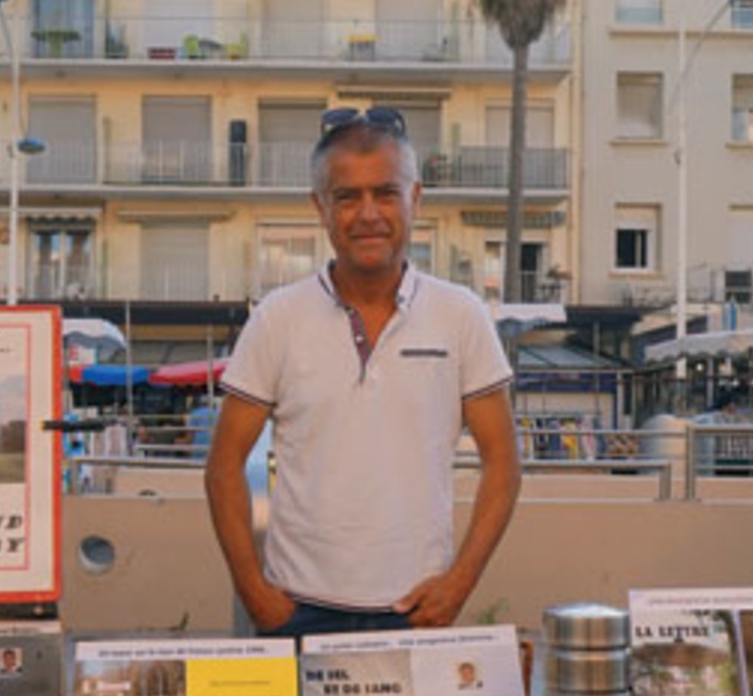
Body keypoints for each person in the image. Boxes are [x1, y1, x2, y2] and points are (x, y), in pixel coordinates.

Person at [205, 106, 521, 636]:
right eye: (347, 197)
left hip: (417, 611)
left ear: (415, 199)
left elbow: (504, 465)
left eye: (386, 193)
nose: (368, 213)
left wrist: (457, 585)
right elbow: (223, 466)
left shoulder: (460, 315)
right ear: (320, 207)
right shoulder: (277, 318)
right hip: (297, 611)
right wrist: (255, 594)